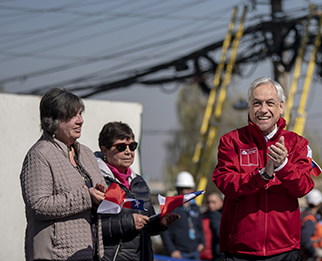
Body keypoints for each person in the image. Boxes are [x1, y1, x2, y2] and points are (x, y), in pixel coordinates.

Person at [213, 76, 315, 260]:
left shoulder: (297, 143)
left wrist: (283, 165)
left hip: (284, 250)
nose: (263, 110)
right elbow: (225, 182)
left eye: (270, 103)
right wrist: (262, 175)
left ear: (281, 107)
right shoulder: (231, 141)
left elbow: (303, 187)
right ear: (249, 108)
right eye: (257, 103)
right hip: (240, 251)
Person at [20, 87, 106, 261]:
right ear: (53, 119)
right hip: (56, 254)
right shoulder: (40, 154)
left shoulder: (87, 154)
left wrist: (101, 195)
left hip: (89, 252)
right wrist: (86, 197)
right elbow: (38, 205)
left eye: (80, 114)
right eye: (72, 115)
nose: (80, 120)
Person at [95, 121, 179, 261]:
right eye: (121, 147)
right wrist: (129, 223)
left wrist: (161, 222)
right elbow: (90, 227)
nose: (128, 152)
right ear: (105, 150)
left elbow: (148, 224)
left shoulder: (139, 182)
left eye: (132, 146)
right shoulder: (96, 180)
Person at [161, 171, 206, 260]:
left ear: (192, 189)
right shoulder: (170, 207)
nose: (184, 191)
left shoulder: (195, 207)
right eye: (181, 188)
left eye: (187, 188)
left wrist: (202, 243)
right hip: (179, 253)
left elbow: (200, 227)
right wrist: (172, 250)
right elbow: (164, 231)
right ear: (177, 189)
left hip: (195, 251)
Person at [300, 189, 322, 260]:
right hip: (308, 256)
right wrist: (315, 251)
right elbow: (305, 240)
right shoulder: (310, 219)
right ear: (318, 204)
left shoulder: (304, 215)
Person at [201, 192, 224, 260]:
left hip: (219, 254)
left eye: (214, 202)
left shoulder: (225, 217)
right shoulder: (202, 216)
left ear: (221, 202)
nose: (211, 205)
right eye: (208, 202)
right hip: (204, 255)